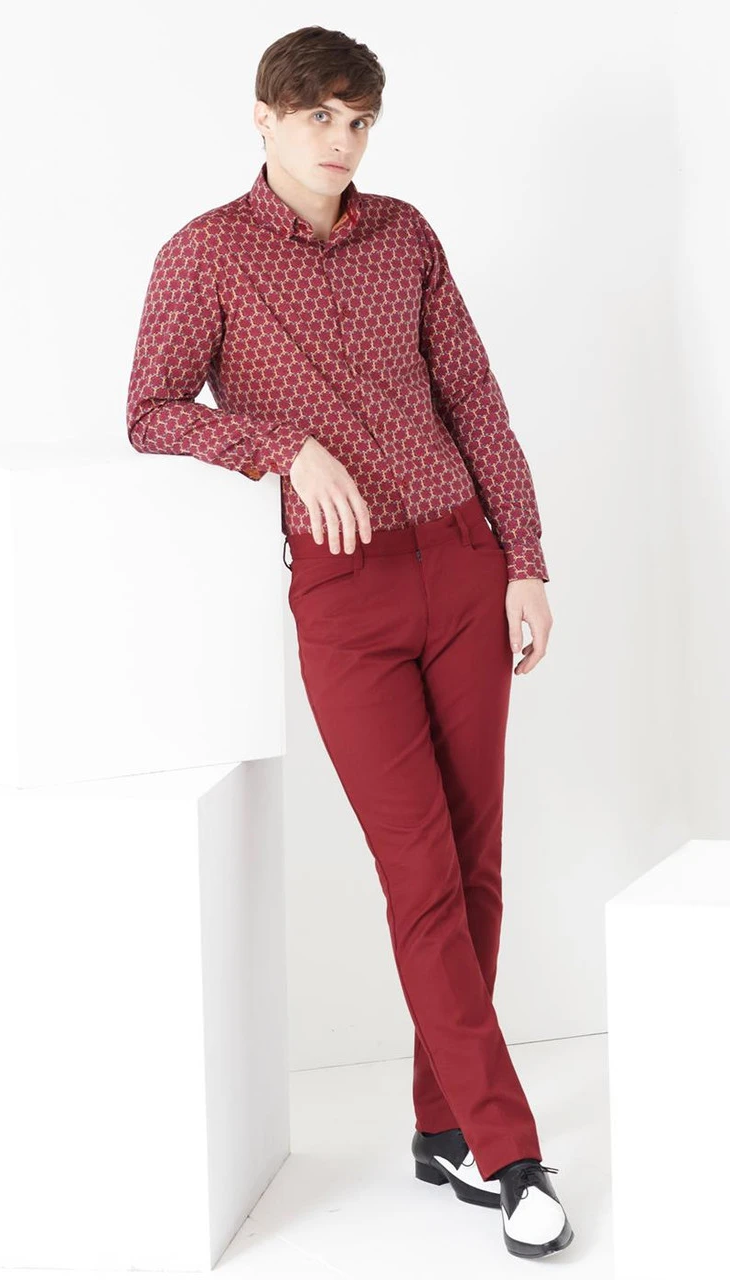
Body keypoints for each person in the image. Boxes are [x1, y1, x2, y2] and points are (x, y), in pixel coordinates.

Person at [125, 24, 570, 1260]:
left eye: (359, 119)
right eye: (319, 115)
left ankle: (444, 1125)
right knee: (419, 871)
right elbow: (150, 408)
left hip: (463, 559)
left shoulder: (406, 236)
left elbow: (472, 396)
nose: (342, 139)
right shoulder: (206, 254)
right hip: (346, 597)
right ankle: (512, 1151)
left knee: (475, 865)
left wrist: (524, 558)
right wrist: (278, 445)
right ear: (264, 118)